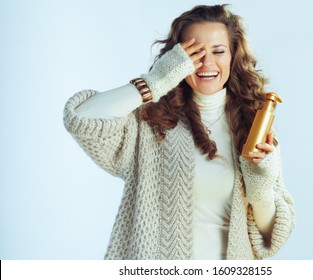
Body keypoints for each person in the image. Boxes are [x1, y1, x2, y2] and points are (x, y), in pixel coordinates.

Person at [63, 4, 295, 260]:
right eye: (194, 53)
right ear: (177, 59)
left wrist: (260, 184)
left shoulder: (254, 125)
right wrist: (156, 80)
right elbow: (82, 119)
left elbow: (269, 236)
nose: (207, 62)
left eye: (218, 51)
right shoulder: (150, 122)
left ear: (233, 56)